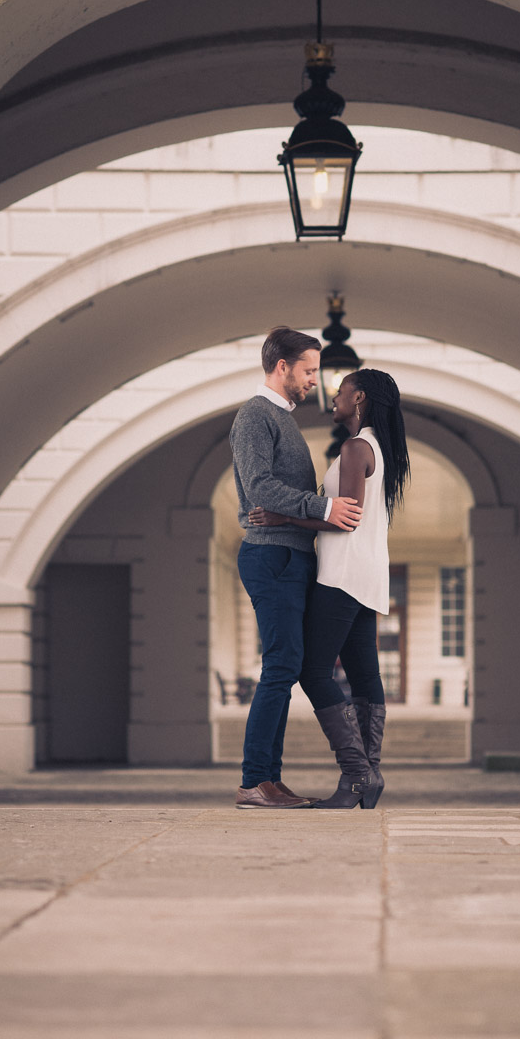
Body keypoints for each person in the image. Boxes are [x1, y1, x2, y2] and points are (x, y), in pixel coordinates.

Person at [249, 368, 410, 809]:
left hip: (341, 575)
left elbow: (346, 515)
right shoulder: (379, 448)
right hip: (369, 575)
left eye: (341, 392)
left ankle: (358, 772)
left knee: (312, 670)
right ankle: (368, 774)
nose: (333, 398)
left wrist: (284, 518)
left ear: (359, 399)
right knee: (363, 676)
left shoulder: (358, 447)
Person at [230, 327, 363, 809]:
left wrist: (309, 514)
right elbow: (260, 487)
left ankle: (268, 778)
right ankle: (254, 781)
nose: (313, 379)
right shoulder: (254, 416)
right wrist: (325, 508)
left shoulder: (281, 419)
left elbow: (270, 494)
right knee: (281, 666)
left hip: (290, 554)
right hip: (273, 555)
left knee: (287, 666)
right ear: (281, 366)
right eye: (308, 370)